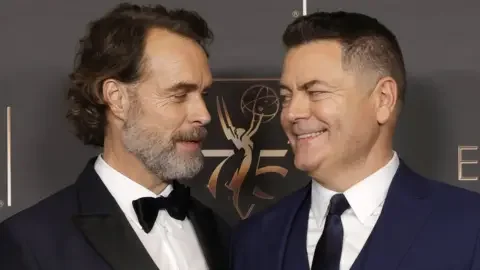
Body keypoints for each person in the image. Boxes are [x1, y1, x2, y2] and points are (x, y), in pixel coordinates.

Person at [230, 11, 480, 270]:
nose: (292, 112)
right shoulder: (254, 240)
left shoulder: (470, 228)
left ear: (383, 99)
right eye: (286, 97)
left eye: (315, 92)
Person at [0, 3, 230, 270]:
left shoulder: (219, 231)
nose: (204, 115)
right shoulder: (31, 242)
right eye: (179, 95)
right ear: (117, 98)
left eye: (203, 95)